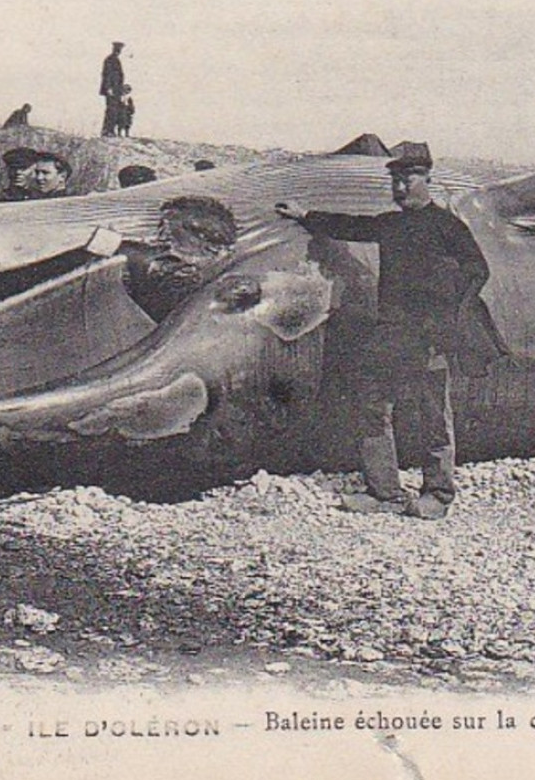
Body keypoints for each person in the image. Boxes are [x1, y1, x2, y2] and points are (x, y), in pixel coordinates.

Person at [276, 141, 501, 520]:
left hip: (430, 336)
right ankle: (386, 493)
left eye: (409, 180)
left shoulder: (447, 226)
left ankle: (439, 494)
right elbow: (351, 226)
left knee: (432, 415)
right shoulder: (392, 224)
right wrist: (305, 215)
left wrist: (449, 314)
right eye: (396, 181)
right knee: (373, 408)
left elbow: (477, 270)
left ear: (427, 179)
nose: (400, 189)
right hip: (392, 333)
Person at [121, 195, 240, 322]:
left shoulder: (207, 273)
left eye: (170, 227)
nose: (162, 234)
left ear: (200, 235)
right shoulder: (172, 258)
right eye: (161, 227)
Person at [100, 41, 126, 136]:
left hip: (116, 90)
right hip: (112, 90)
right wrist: (108, 88)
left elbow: (119, 77)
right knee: (111, 110)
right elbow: (106, 75)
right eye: (118, 49)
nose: (119, 51)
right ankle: (107, 130)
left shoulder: (116, 60)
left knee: (115, 110)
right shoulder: (110, 60)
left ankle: (110, 130)